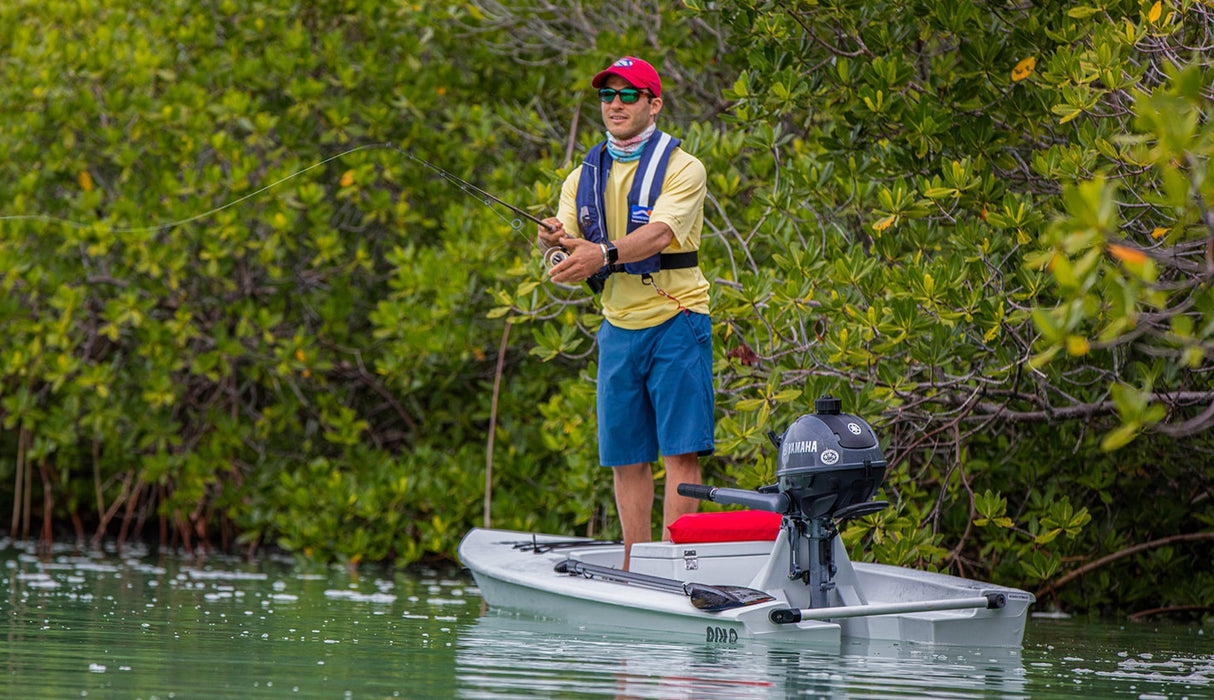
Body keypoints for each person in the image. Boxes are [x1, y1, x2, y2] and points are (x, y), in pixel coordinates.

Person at [538, 56, 713, 571]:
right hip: (618, 327)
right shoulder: (581, 175)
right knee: (625, 456)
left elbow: (659, 235)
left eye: (628, 95)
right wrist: (552, 242)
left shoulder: (685, 167)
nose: (615, 104)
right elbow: (568, 243)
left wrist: (603, 254)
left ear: (653, 104)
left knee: (681, 455)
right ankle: (635, 568)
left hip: (678, 320)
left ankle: (680, 566)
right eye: (607, 95)